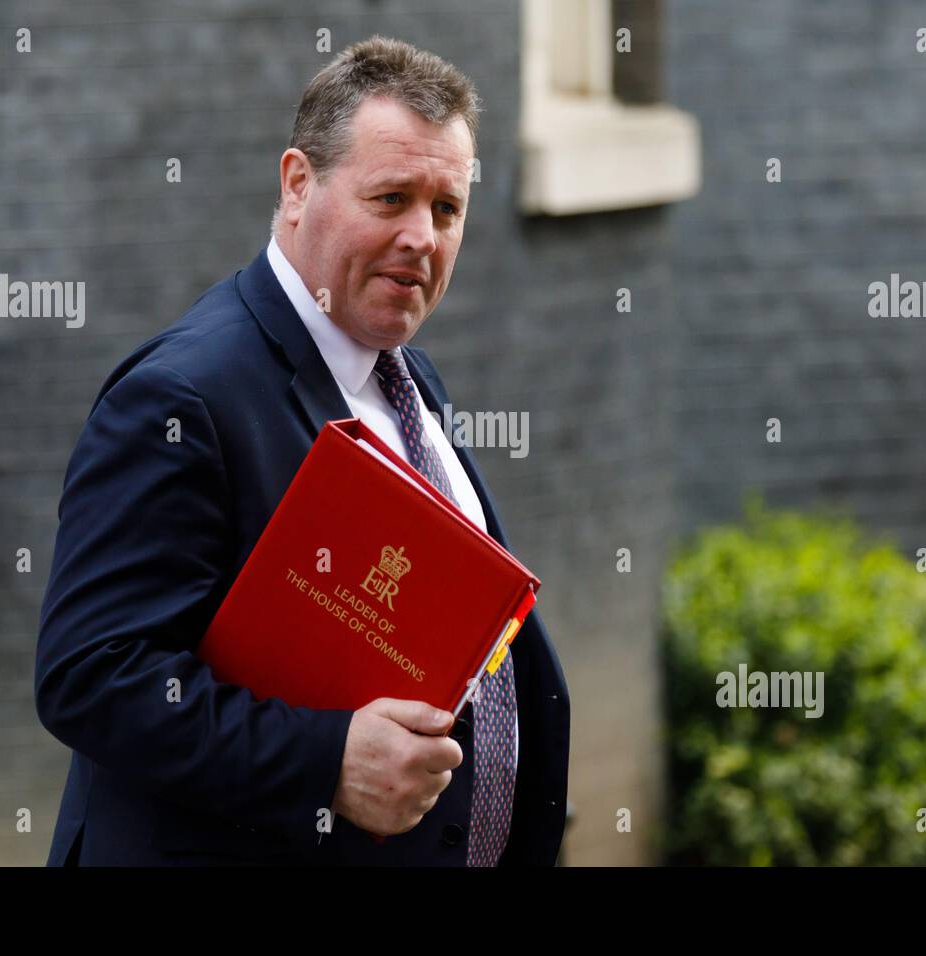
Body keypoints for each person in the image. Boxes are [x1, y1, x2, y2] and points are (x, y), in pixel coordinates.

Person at [35, 35, 570, 866]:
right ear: (297, 185)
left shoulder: (409, 380)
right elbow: (91, 675)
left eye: (446, 208)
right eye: (390, 198)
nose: (422, 237)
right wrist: (329, 762)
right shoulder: (182, 396)